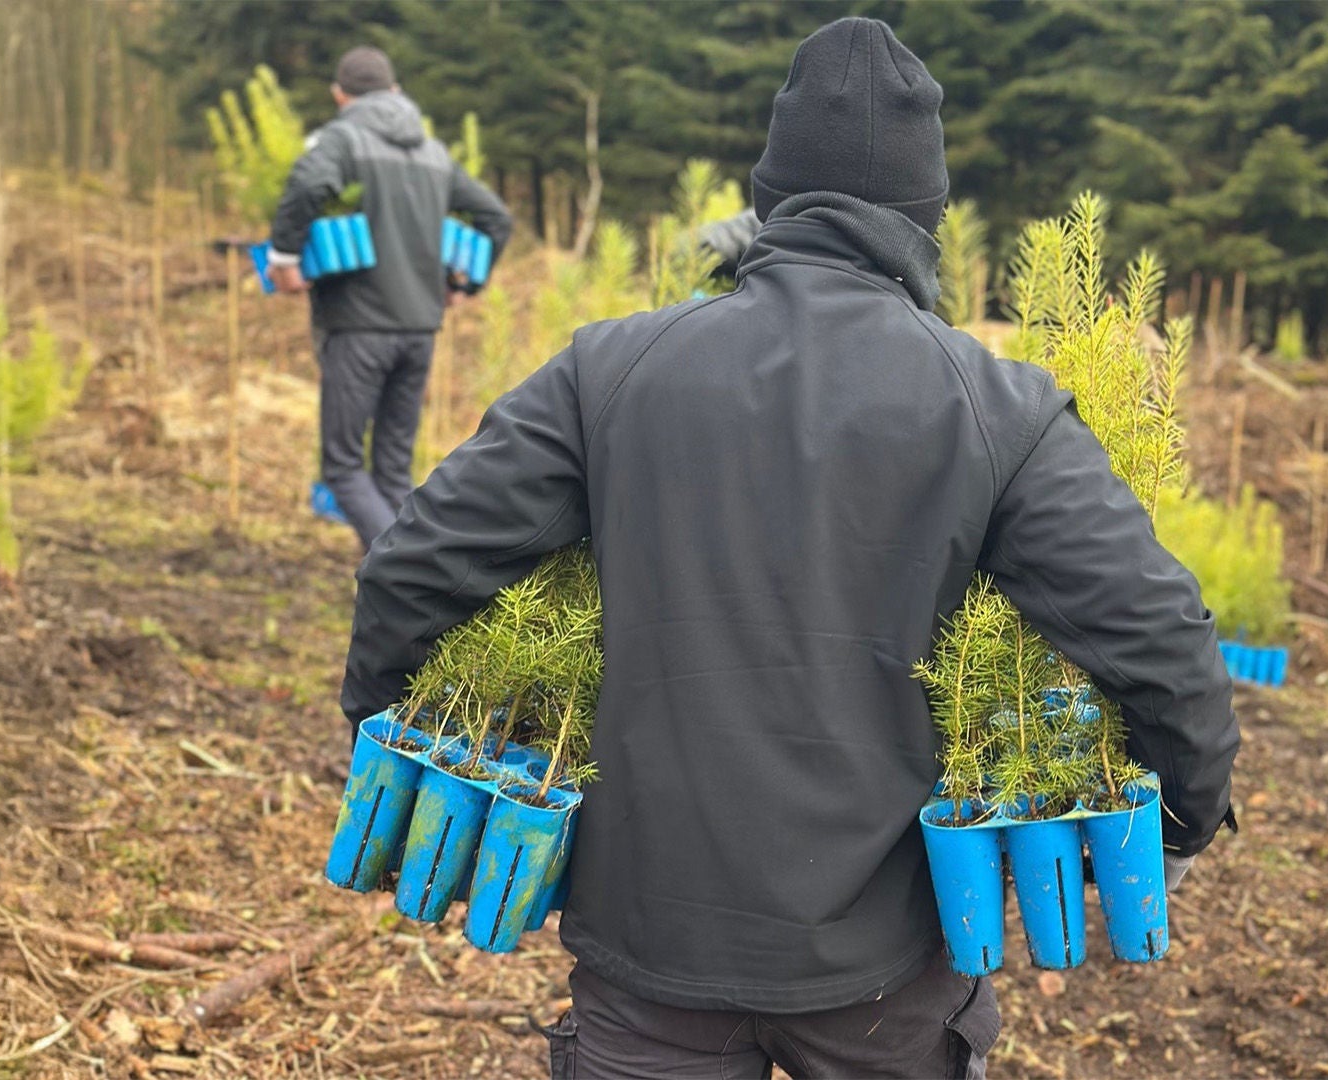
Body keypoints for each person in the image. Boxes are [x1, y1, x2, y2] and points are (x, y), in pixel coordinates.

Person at [340, 17, 1236, 1079]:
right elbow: (1156, 630)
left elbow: (418, 561)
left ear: (767, 201)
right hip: (886, 975)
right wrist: (1185, 806)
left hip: (648, 957)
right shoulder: (997, 408)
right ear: (923, 220)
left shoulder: (611, 371)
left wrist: (380, 715)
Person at [266, 45, 513, 550]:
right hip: (420, 330)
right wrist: (461, 285)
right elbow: (496, 219)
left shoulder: (344, 139)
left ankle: (404, 578)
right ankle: (412, 595)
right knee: (393, 472)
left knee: (341, 468)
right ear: (396, 92)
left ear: (340, 95)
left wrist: (285, 260)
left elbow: (309, 182)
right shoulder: (433, 152)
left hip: (358, 328)